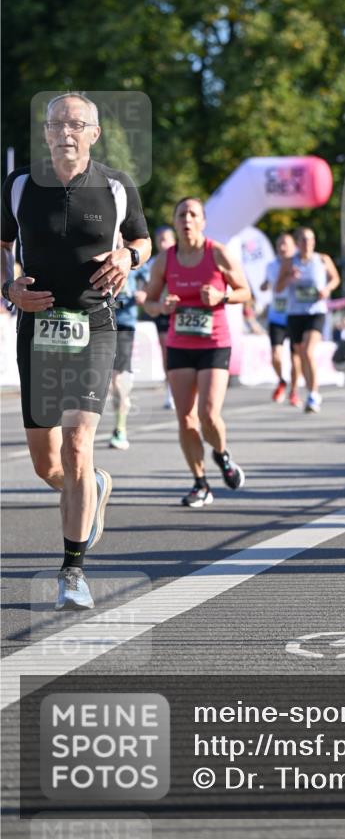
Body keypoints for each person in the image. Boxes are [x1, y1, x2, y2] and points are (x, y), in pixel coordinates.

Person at [0, 92, 151, 609]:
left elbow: (143, 242)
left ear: (94, 132)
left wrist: (129, 256)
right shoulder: (20, 185)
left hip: (95, 324)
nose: (65, 130)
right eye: (55, 123)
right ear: (44, 132)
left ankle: (73, 571)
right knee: (49, 466)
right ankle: (94, 487)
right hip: (36, 328)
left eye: (76, 123)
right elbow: (1, 246)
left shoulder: (116, 185)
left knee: (78, 445)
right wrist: (9, 289)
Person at [143, 197, 251, 507]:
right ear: (175, 222)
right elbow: (149, 303)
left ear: (202, 221)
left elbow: (245, 291)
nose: (187, 219)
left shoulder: (217, 253)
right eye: (181, 214)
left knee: (208, 414)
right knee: (186, 419)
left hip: (214, 342)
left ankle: (222, 454)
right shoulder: (165, 260)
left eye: (193, 214)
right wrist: (161, 306)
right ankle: (200, 483)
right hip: (180, 344)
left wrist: (221, 296)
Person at [276, 226, 340, 414]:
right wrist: (289, 278)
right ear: (297, 243)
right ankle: (309, 389)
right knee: (301, 353)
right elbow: (278, 288)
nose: (307, 243)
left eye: (310, 239)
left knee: (308, 349)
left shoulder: (322, 259)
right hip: (296, 313)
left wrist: (327, 290)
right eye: (303, 240)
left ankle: (313, 394)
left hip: (316, 311)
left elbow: (335, 279)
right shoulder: (289, 262)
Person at [108, 262, 148, 450]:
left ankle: (120, 428)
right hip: (97, 322)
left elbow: (151, 283)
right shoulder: (100, 248)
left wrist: (144, 293)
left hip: (124, 323)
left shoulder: (136, 255)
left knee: (118, 380)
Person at [261, 232, 302, 407]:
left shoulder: (301, 264)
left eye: (286, 244)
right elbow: (273, 284)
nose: (282, 248)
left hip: (295, 315)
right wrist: (265, 284)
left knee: (295, 358)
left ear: (295, 247)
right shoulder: (271, 265)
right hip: (277, 316)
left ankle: (294, 390)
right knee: (276, 355)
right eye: (279, 245)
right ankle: (281, 381)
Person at [144, 225, 176, 409]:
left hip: (180, 312)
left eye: (167, 239)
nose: (163, 243)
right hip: (162, 312)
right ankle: (170, 390)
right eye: (160, 240)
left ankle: (184, 390)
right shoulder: (154, 262)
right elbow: (145, 288)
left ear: (173, 240)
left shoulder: (181, 259)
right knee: (166, 352)